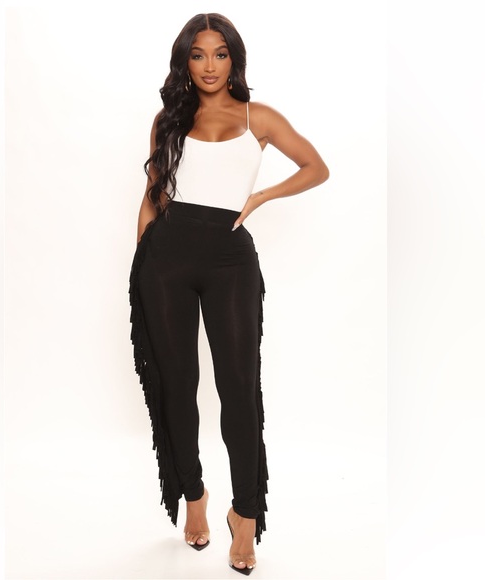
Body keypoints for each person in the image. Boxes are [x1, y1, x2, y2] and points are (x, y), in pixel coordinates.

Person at [129, 12, 329, 575]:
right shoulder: (169, 119)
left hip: (230, 260)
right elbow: (153, 193)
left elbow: (316, 167)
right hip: (165, 258)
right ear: (185, 61)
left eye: (220, 54)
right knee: (176, 385)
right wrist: (141, 259)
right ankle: (193, 495)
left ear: (234, 59)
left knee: (239, 389)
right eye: (198, 54)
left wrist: (262, 196)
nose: (210, 65)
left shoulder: (256, 117)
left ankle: (245, 514)